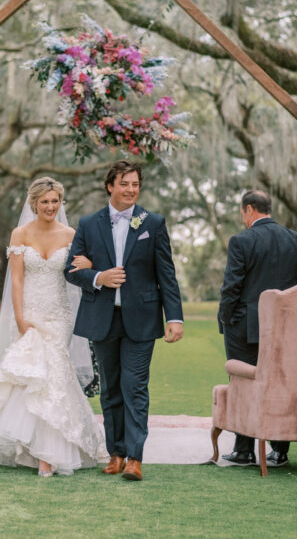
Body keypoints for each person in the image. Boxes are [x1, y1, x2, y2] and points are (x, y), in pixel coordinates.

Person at [0, 177, 103, 477]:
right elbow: (16, 279)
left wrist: (87, 265)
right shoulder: (20, 234)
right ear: (34, 203)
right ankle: (27, 445)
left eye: (55, 201)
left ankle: (51, 452)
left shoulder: (70, 234)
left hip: (59, 314)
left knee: (54, 373)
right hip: (28, 310)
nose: (50, 207)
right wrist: (19, 317)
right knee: (30, 373)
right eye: (45, 201)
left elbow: (82, 268)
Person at [64, 161, 184, 482]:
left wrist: (174, 316)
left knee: (135, 387)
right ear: (110, 186)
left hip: (142, 319)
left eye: (135, 184)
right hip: (102, 318)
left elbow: (166, 274)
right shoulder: (88, 224)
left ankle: (135, 457)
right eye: (124, 184)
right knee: (110, 388)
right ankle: (115, 453)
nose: (131, 190)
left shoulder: (152, 223)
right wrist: (99, 276)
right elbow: (70, 270)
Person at [217, 190, 297, 469]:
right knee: (281, 382)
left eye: (242, 212)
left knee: (243, 383)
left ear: (249, 209)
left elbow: (232, 286)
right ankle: (280, 450)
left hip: (245, 324)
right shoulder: (296, 240)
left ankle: (244, 450)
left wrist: (225, 318)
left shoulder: (241, 241)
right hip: (284, 325)